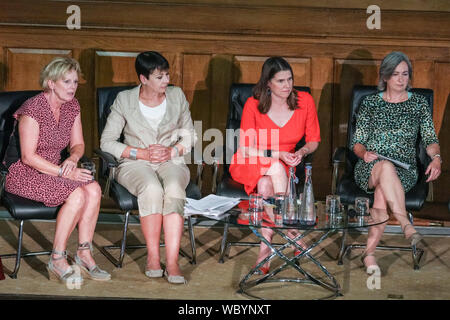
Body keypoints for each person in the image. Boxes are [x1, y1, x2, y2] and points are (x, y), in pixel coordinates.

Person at [4, 57, 111, 285]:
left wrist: (72, 158)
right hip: (24, 172)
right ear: (51, 83)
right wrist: (65, 173)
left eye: (75, 81)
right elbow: (28, 157)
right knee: (78, 193)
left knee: (93, 188)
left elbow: (78, 144)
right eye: (67, 81)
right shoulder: (32, 109)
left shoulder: (73, 106)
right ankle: (57, 258)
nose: (73, 86)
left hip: (56, 167)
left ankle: (83, 253)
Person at [100, 51, 196, 284]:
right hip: (135, 162)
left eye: (167, 75)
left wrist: (171, 151)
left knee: (173, 188)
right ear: (143, 79)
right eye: (159, 77)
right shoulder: (124, 99)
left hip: (170, 160)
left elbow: (190, 135)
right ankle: (153, 256)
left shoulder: (177, 95)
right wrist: (139, 152)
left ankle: (172, 261)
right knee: (152, 189)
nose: (166, 81)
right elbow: (107, 142)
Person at [229, 57, 321, 274]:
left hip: (284, 164)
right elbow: (246, 148)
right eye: (280, 81)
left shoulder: (304, 100)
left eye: (289, 79)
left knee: (265, 185)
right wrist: (277, 154)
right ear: (268, 83)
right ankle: (294, 233)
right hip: (252, 160)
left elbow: (314, 140)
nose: (287, 85)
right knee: (275, 168)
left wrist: (301, 151)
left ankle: (265, 251)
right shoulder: (254, 104)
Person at [352, 51, 441, 273]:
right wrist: (364, 154)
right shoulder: (370, 103)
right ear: (384, 77)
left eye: (405, 74)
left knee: (384, 188)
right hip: (370, 165)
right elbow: (358, 142)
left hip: (405, 169)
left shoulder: (418, 104)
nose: (401, 79)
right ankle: (405, 224)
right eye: (395, 74)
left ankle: (369, 254)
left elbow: (430, 139)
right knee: (384, 167)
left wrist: (437, 158)